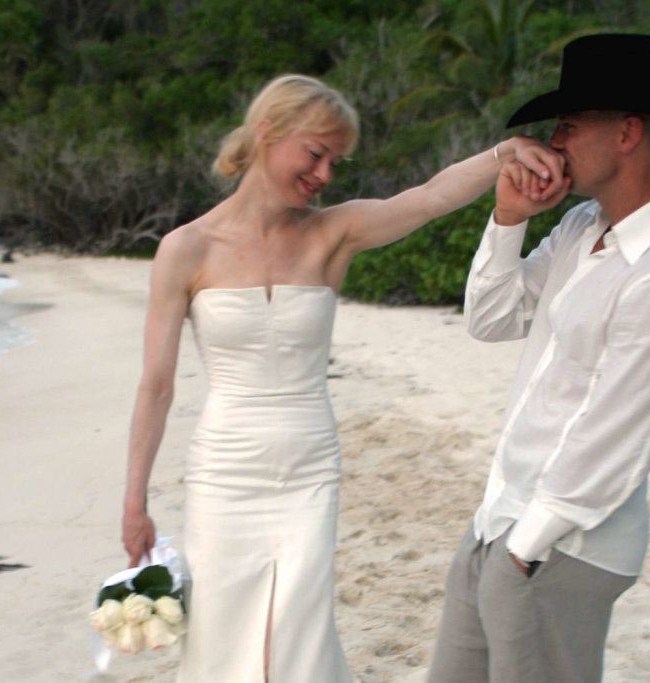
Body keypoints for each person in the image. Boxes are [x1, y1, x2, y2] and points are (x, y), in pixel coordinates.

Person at [121, 73, 563, 682]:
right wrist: (134, 501)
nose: (325, 174)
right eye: (316, 153)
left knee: (298, 629)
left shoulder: (333, 233)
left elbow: (430, 197)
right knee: (221, 630)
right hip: (223, 470)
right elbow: (156, 385)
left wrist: (504, 155)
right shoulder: (185, 249)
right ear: (267, 131)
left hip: (310, 467)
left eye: (335, 161)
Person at [428, 34, 650, 683]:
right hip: (499, 520)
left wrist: (525, 551)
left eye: (567, 124)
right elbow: (490, 317)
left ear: (626, 132)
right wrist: (509, 218)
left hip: (560, 547)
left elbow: (613, 435)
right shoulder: (580, 226)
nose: (553, 142)